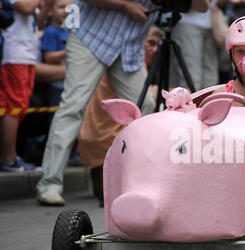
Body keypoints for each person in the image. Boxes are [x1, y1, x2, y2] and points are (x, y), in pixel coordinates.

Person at [36, 0, 209, 206]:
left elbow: (202, 7)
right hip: (91, 37)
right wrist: (125, 6)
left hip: (129, 47)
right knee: (73, 106)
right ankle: (49, 185)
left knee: (144, 106)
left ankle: (144, 179)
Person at [77, 26, 165, 205]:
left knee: (108, 191)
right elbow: (144, 102)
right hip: (108, 137)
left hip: (93, 136)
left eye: (158, 44)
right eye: (150, 43)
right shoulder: (130, 60)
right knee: (112, 192)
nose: (154, 49)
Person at [0, 0, 52, 172]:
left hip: (27, 56)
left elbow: (39, 21)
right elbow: (26, 7)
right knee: (13, 105)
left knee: (21, 106)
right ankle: (8, 159)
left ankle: (12, 157)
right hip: (13, 54)